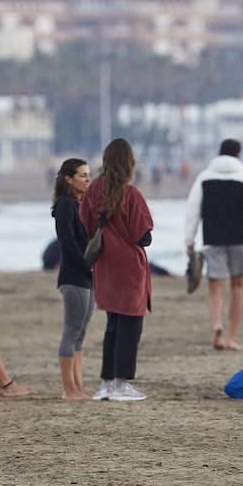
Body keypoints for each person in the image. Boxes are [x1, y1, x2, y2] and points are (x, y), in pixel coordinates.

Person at [80, 138, 155, 402]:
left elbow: (85, 226)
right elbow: (143, 236)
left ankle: (107, 382)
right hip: (129, 268)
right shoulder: (130, 193)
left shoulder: (93, 191)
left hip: (105, 265)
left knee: (113, 324)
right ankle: (121, 384)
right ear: (129, 164)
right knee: (130, 324)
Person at [184, 138, 243, 351]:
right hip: (239, 237)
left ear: (219, 153)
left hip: (212, 237)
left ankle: (217, 325)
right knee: (238, 286)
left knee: (216, 286)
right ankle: (231, 337)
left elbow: (192, 210)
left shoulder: (204, 177)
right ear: (238, 155)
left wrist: (189, 240)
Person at [52, 157, 96, 400]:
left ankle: (78, 386)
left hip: (87, 276)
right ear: (68, 179)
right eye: (82, 175)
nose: (88, 179)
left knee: (80, 334)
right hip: (74, 277)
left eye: (88, 175)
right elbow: (68, 244)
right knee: (71, 332)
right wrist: (88, 266)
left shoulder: (80, 204)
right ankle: (69, 389)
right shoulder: (65, 205)